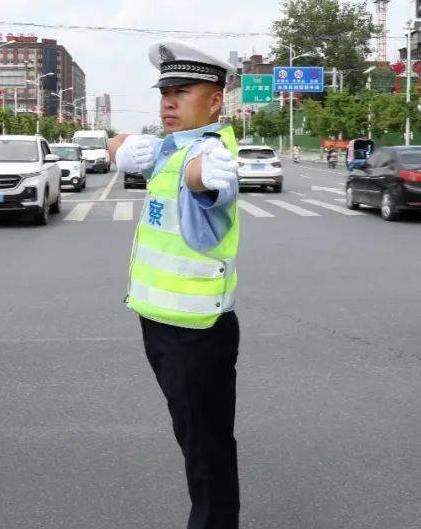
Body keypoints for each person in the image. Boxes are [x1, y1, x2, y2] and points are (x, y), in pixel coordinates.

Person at [108, 40, 241, 529]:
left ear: (215, 101)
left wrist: (205, 176)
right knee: (194, 441)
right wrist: (118, 145)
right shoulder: (170, 146)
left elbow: (204, 178)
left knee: (207, 451)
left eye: (183, 92)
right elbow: (127, 148)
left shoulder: (208, 153)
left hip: (196, 332)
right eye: (164, 91)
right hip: (161, 325)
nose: (168, 101)